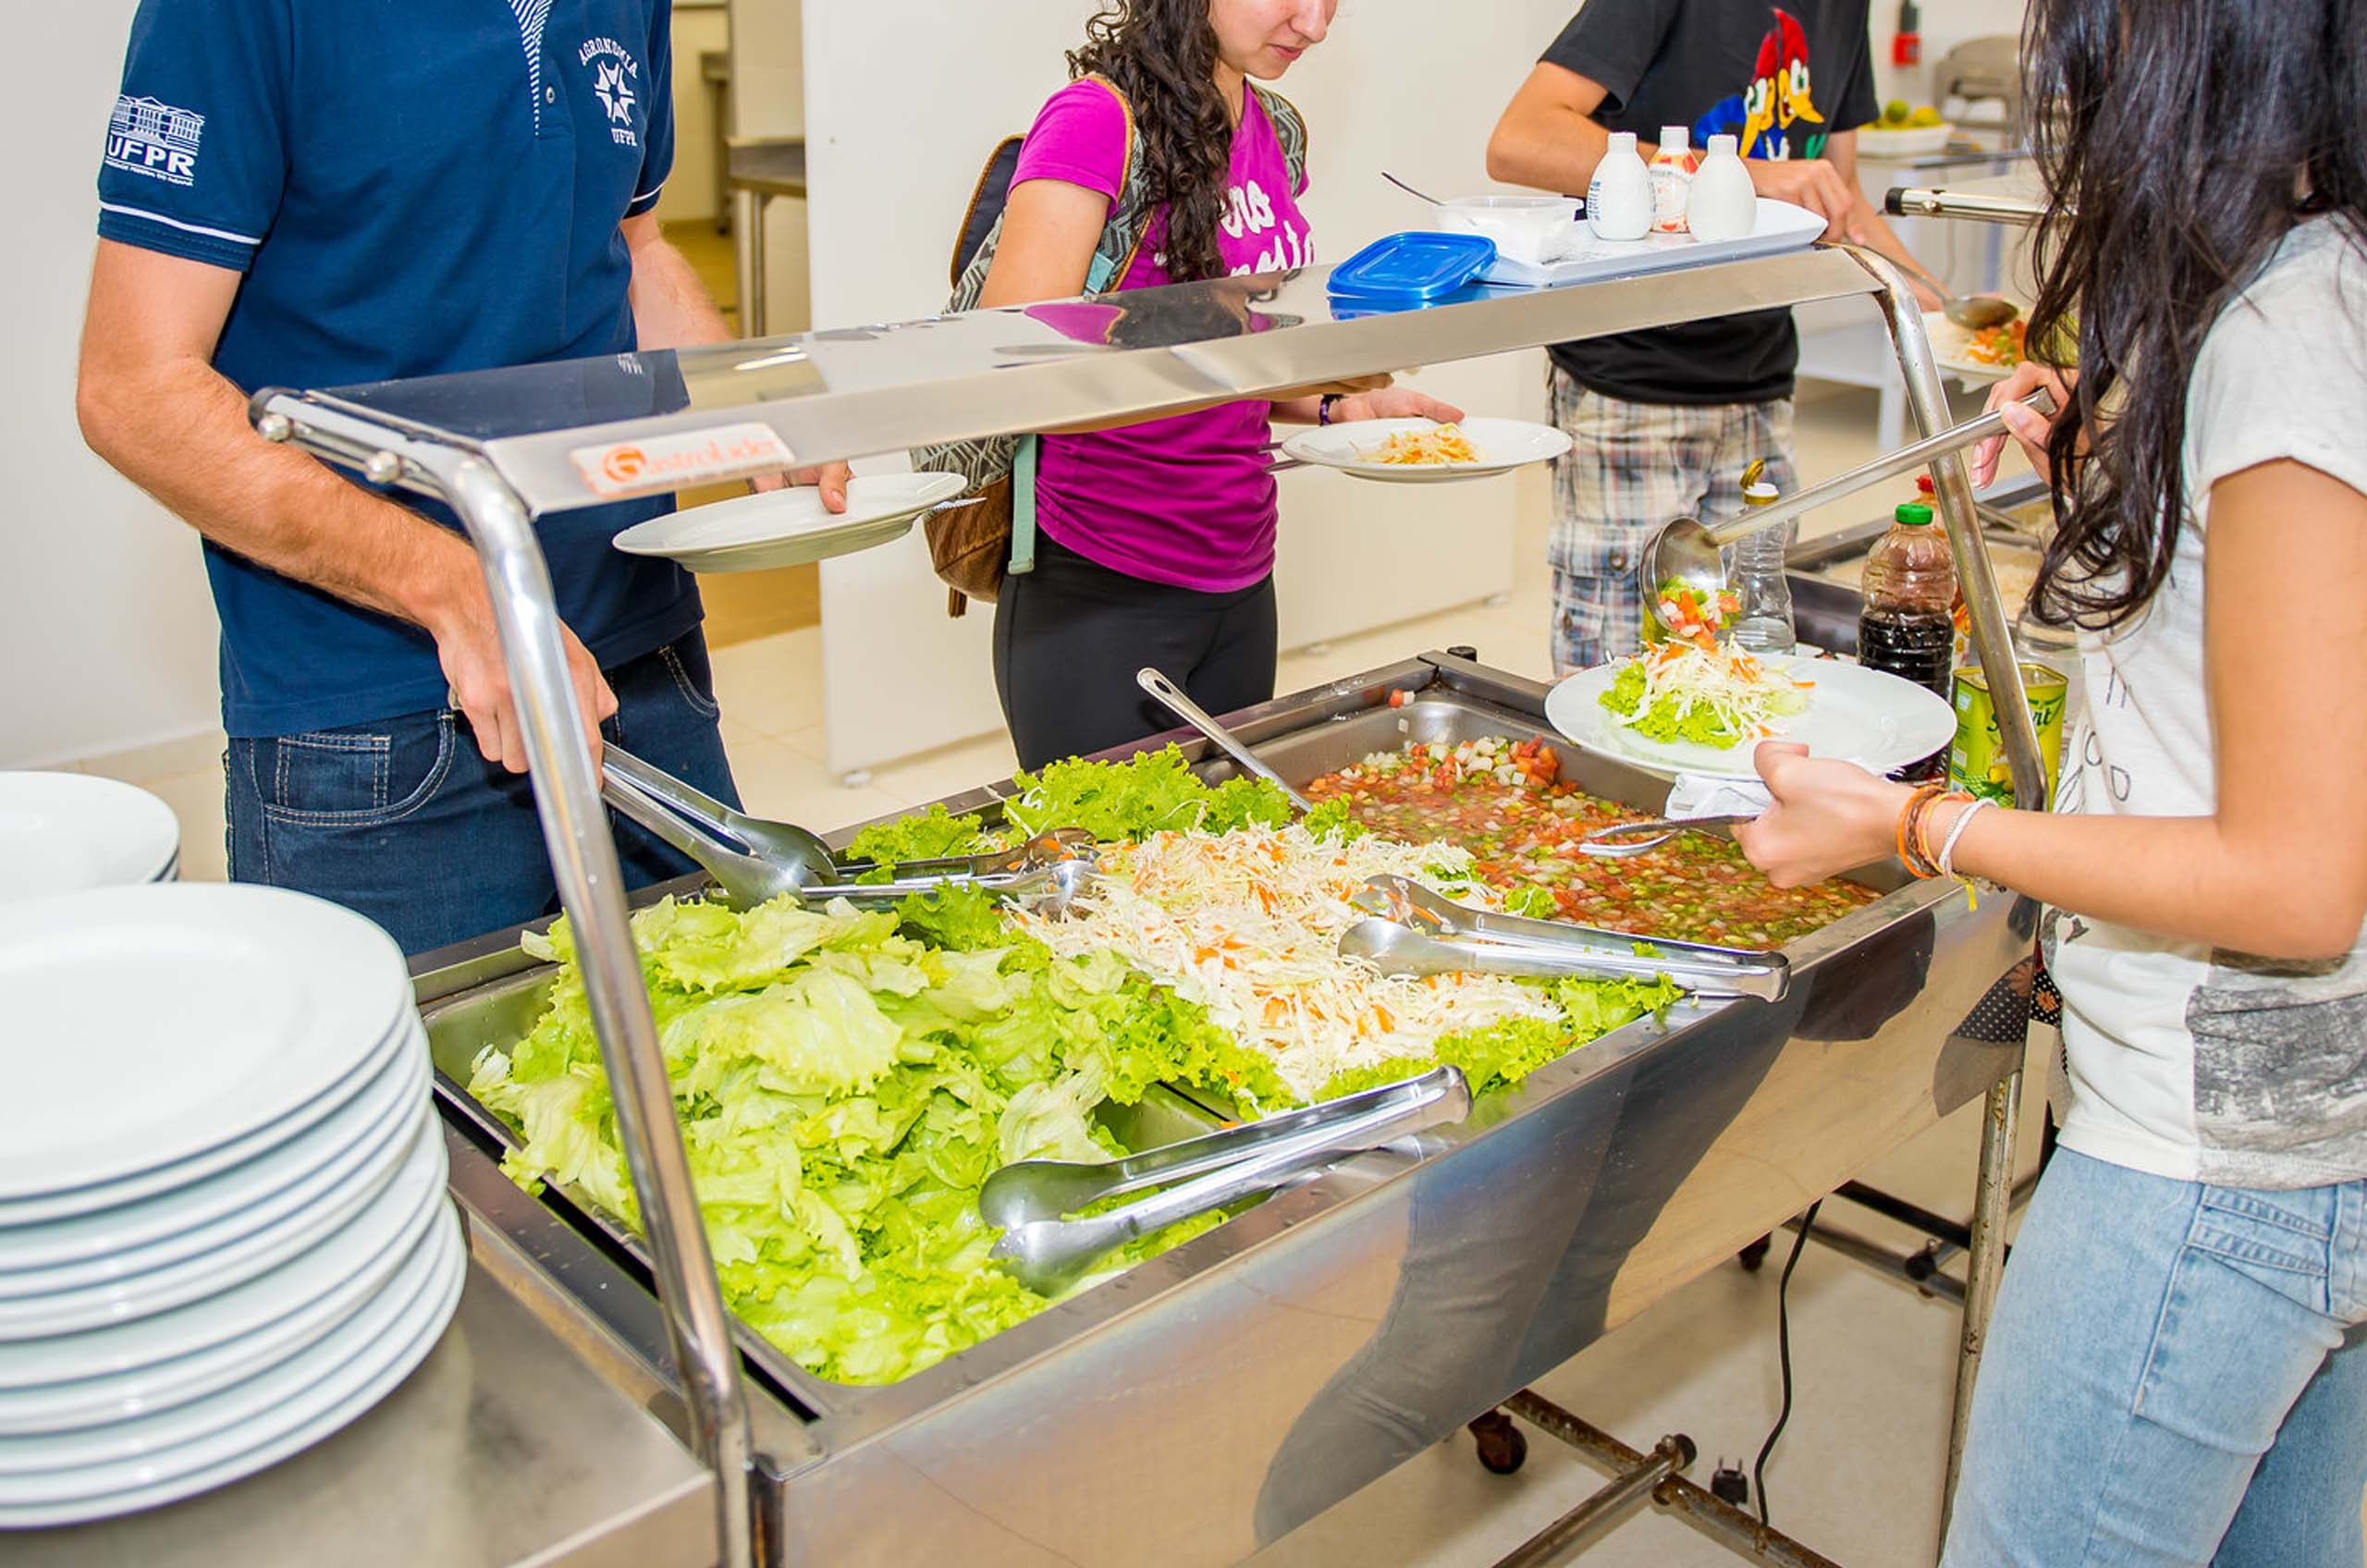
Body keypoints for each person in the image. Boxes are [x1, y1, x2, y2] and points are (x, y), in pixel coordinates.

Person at [1735, 0, 2367, 1556]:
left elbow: (2296, 881)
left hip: (2218, 1168)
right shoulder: (2329, 275)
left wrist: (1915, 821)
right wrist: (2121, 452)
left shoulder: (2292, 334)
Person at [76, 0, 841, 956]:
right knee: (446, 1093)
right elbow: (132, 390)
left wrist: (753, 408)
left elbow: (633, 247)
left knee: (718, 1069)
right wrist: (461, 589)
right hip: (379, 717)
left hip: (636, 660)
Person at [982, 0, 1461, 769]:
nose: (1315, 26)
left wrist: (1337, 405)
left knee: (1223, 863)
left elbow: (1233, 359)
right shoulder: (1096, 121)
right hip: (1104, 579)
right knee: (1112, 873)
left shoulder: (1273, 124)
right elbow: (1007, 371)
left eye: (1332, 0)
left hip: (1242, 570)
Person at [1488, 1, 1944, 671]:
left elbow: (1837, 190)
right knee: (1621, 678)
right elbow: (1519, 141)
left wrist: (1940, 309)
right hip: (1631, 381)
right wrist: (1745, 174)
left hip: (1760, 379)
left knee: (1751, 667)